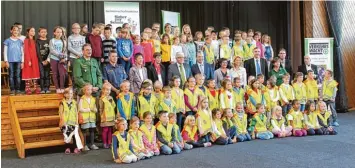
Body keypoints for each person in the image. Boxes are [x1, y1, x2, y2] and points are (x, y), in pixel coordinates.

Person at [59, 87, 83, 154]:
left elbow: (76, 112)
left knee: (74, 135)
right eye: (68, 93)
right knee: (67, 136)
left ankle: (75, 148)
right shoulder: (62, 103)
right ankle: (67, 148)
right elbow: (60, 113)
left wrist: (76, 121)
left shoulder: (74, 102)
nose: (70, 95)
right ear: (65, 94)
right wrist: (62, 121)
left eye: (71, 93)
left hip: (73, 121)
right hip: (65, 122)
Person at [4, 25, 24, 95]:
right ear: (11, 31)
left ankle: (18, 89)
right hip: (10, 61)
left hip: (18, 61)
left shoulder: (20, 41)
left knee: (18, 75)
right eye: (14, 30)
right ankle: (12, 90)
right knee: (11, 75)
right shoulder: (7, 40)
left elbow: (22, 52)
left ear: (19, 32)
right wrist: (6, 61)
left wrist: (22, 61)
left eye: (17, 30)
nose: (16, 31)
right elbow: (5, 51)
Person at [78, 84, 99, 150]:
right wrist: (88, 109)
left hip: (92, 118)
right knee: (84, 131)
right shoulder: (82, 99)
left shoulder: (93, 98)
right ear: (84, 91)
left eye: (90, 90)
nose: (89, 91)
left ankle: (92, 144)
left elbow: (95, 108)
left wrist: (95, 110)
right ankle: (84, 145)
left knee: (92, 131)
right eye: (88, 90)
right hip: (85, 118)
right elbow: (80, 108)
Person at [49, 26, 68, 93]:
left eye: (60, 32)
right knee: (55, 74)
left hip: (62, 60)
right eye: (58, 32)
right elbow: (52, 50)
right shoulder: (52, 40)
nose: (59, 33)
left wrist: (65, 58)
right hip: (54, 59)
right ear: (54, 33)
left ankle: (62, 87)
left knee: (62, 74)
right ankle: (57, 88)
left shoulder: (64, 41)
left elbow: (65, 51)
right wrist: (60, 55)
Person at [22, 27, 40, 94]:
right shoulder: (26, 40)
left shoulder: (35, 40)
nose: (33, 32)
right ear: (28, 32)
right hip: (28, 59)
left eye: (34, 31)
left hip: (35, 59)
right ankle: (27, 88)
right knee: (28, 73)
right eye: (31, 31)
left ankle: (36, 88)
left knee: (35, 72)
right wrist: (29, 60)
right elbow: (26, 51)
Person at [99, 83, 116, 149]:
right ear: (103, 90)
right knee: (105, 130)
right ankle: (104, 143)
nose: (108, 91)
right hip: (105, 118)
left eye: (109, 90)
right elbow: (101, 108)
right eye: (106, 90)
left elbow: (113, 106)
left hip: (111, 117)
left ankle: (109, 142)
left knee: (110, 130)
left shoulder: (111, 97)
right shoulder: (102, 99)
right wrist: (101, 116)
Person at [36, 27, 51, 94]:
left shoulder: (49, 41)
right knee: (42, 75)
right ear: (39, 33)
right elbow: (38, 52)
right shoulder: (37, 41)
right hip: (40, 61)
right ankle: (42, 88)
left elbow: (51, 51)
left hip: (47, 60)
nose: (43, 33)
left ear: (47, 33)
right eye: (42, 32)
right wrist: (42, 61)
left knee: (47, 75)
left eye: (45, 32)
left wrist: (47, 60)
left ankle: (47, 88)